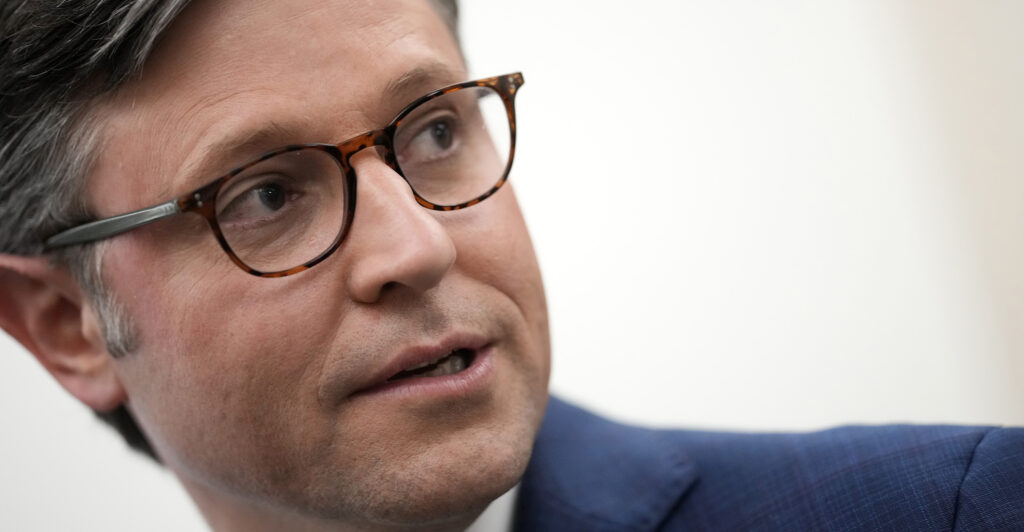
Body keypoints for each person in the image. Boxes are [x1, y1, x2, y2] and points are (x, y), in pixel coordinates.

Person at [0, 1, 1020, 531]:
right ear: (63, 325)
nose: (420, 246)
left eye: (436, 130)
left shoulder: (957, 511)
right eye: (265, 195)